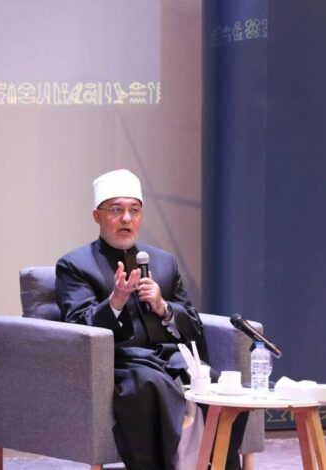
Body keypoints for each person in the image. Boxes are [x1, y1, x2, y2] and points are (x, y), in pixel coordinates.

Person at [55, 169, 248, 470]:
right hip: (121, 363)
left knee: (220, 385)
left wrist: (163, 307)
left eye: (134, 210)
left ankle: (217, 465)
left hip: (171, 358)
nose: (126, 219)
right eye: (116, 210)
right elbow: (77, 328)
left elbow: (193, 326)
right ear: (97, 216)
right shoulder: (75, 265)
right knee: (149, 384)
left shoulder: (164, 262)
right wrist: (115, 302)